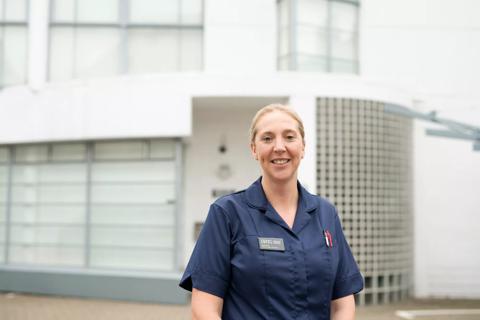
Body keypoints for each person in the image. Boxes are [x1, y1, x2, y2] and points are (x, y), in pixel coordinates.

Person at [179, 104, 364, 320]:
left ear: (303, 147)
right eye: (267, 138)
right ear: (254, 149)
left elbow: (342, 303)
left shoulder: (326, 214)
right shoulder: (226, 214)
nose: (279, 147)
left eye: (289, 137)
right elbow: (203, 309)